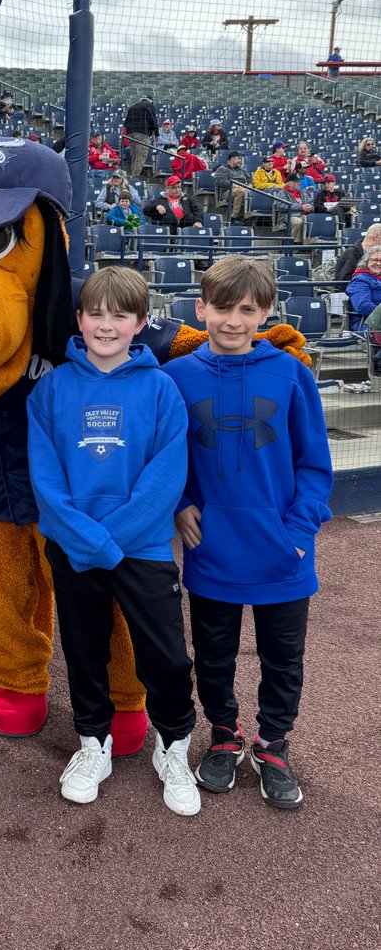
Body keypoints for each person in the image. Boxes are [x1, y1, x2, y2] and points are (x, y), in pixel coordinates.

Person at [27, 266, 199, 815]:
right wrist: (87, 540)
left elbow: (166, 476)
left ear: (141, 323)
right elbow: (46, 477)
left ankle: (173, 746)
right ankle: (92, 744)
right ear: (78, 319)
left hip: (140, 548)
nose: (106, 324)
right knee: (83, 651)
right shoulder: (52, 388)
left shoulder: (161, 387)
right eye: (95, 313)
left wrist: (110, 540)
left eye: (119, 314)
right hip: (75, 547)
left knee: (168, 658)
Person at [163, 257, 333, 809]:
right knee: (213, 655)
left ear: (265, 313)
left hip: (283, 552)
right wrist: (181, 504)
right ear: (200, 309)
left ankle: (273, 744)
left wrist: (299, 530)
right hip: (211, 548)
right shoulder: (177, 376)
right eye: (223, 307)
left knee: (283, 657)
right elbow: (165, 458)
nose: (234, 320)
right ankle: (224, 735)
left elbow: (314, 463)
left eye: (248, 309)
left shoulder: (290, 373)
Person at [122, 95, 158, 177]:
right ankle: (134, 175)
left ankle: (132, 174)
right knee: (141, 155)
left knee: (134, 154)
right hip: (142, 133)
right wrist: (156, 134)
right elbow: (154, 120)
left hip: (130, 133)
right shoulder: (149, 106)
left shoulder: (132, 107)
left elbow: (126, 122)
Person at [345, 248, 381, 330]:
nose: (378, 263)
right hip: (369, 324)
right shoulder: (360, 280)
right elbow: (363, 306)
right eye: (375, 260)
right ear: (366, 261)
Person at [214, 150, 250, 217]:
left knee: (250, 192)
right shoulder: (222, 168)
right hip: (227, 191)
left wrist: (250, 185)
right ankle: (234, 216)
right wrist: (235, 186)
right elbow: (220, 182)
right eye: (238, 158)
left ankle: (248, 216)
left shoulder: (242, 170)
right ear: (232, 159)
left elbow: (250, 179)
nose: (240, 160)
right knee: (241, 191)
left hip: (244, 189)